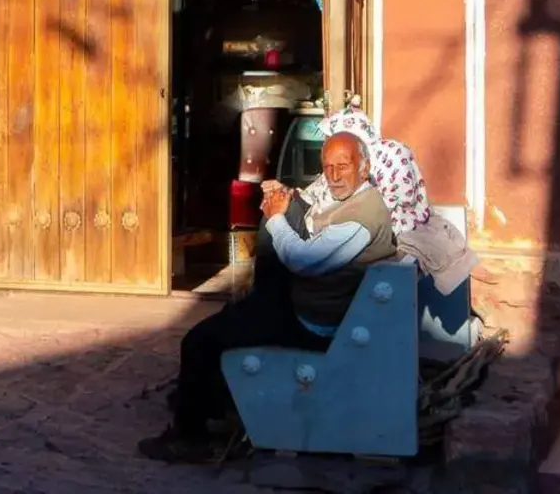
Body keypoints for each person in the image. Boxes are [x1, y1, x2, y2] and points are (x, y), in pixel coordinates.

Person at [138, 132, 397, 463]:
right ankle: (210, 401)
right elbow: (314, 225)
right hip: (306, 304)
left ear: (365, 168)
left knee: (199, 340)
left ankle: (190, 437)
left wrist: (276, 217)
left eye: (343, 166)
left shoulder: (363, 216)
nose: (333, 175)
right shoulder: (351, 199)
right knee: (234, 315)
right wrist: (287, 202)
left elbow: (303, 259)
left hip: (313, 324)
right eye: (328, 167)